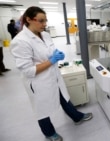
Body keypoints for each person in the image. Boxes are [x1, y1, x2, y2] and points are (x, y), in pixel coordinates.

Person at [10, 6, 93, 141]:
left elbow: (49, 51)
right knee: (41, 109)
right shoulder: (20, 41)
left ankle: (76, 117)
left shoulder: (46, 35)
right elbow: (28, 70)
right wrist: (52, 60)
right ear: (29, 19)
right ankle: (49, 133)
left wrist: (56, 54)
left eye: (45, 21)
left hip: (53, 75)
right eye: (41, 21)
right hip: (38, 82)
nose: (45, 24)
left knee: (63, 97)